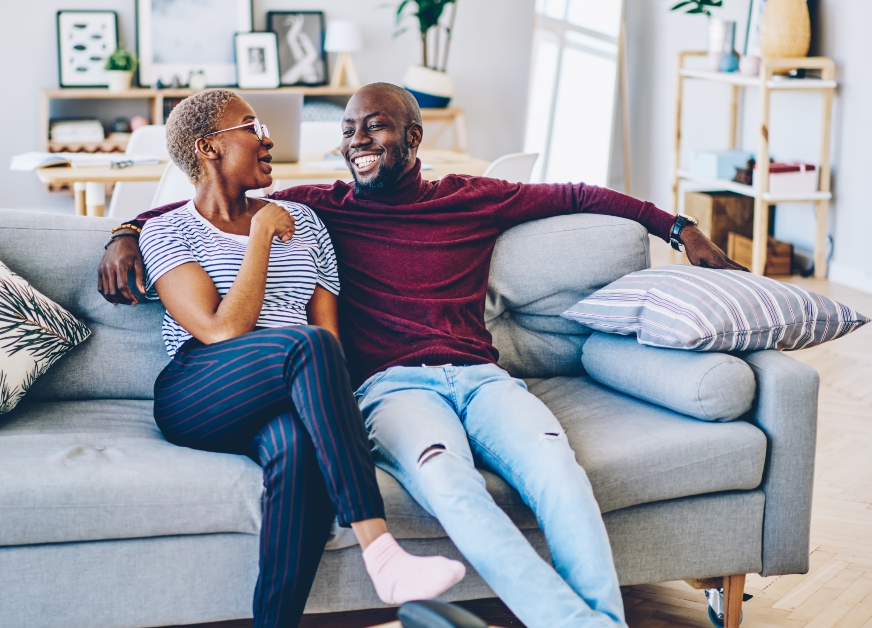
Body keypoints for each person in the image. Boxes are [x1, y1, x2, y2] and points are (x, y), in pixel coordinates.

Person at [100, 83, 744, 628]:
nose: (354, 141)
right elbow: (207, 215)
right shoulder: (317, 207)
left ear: (414, 138)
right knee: (448, 484)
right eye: (347, 130)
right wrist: (125, 230)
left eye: (373, 127)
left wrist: (678, 227)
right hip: (387, 391)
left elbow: (580, 194)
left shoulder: (464, 198)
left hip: (483, 379)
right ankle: (505, 597)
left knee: (558, 474)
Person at [138, 89, 466, 628]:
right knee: (307, 345)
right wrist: (261, 235)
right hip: (200, 390)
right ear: (208, 148)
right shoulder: (167, 230)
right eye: (251, 126)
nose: (268, 137)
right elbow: (222, 331)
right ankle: (381, 551)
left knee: (298, 451)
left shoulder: (306, 223)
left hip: (288, 387)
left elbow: (330, 340)